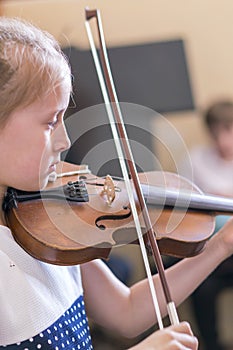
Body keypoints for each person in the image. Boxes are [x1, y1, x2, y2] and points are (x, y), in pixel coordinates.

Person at [0, 17, 232, 350]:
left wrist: (221, 244)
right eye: (51, 121)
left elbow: (125, 311)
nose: (64, 140)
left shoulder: (49, 222)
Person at [180, 100, 233, 350]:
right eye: (218, 132)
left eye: (229, 130)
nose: (224, 140)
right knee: (201, 285)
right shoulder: (196, 160)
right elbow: (186, 208)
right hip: (210, 248)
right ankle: (211, 344)